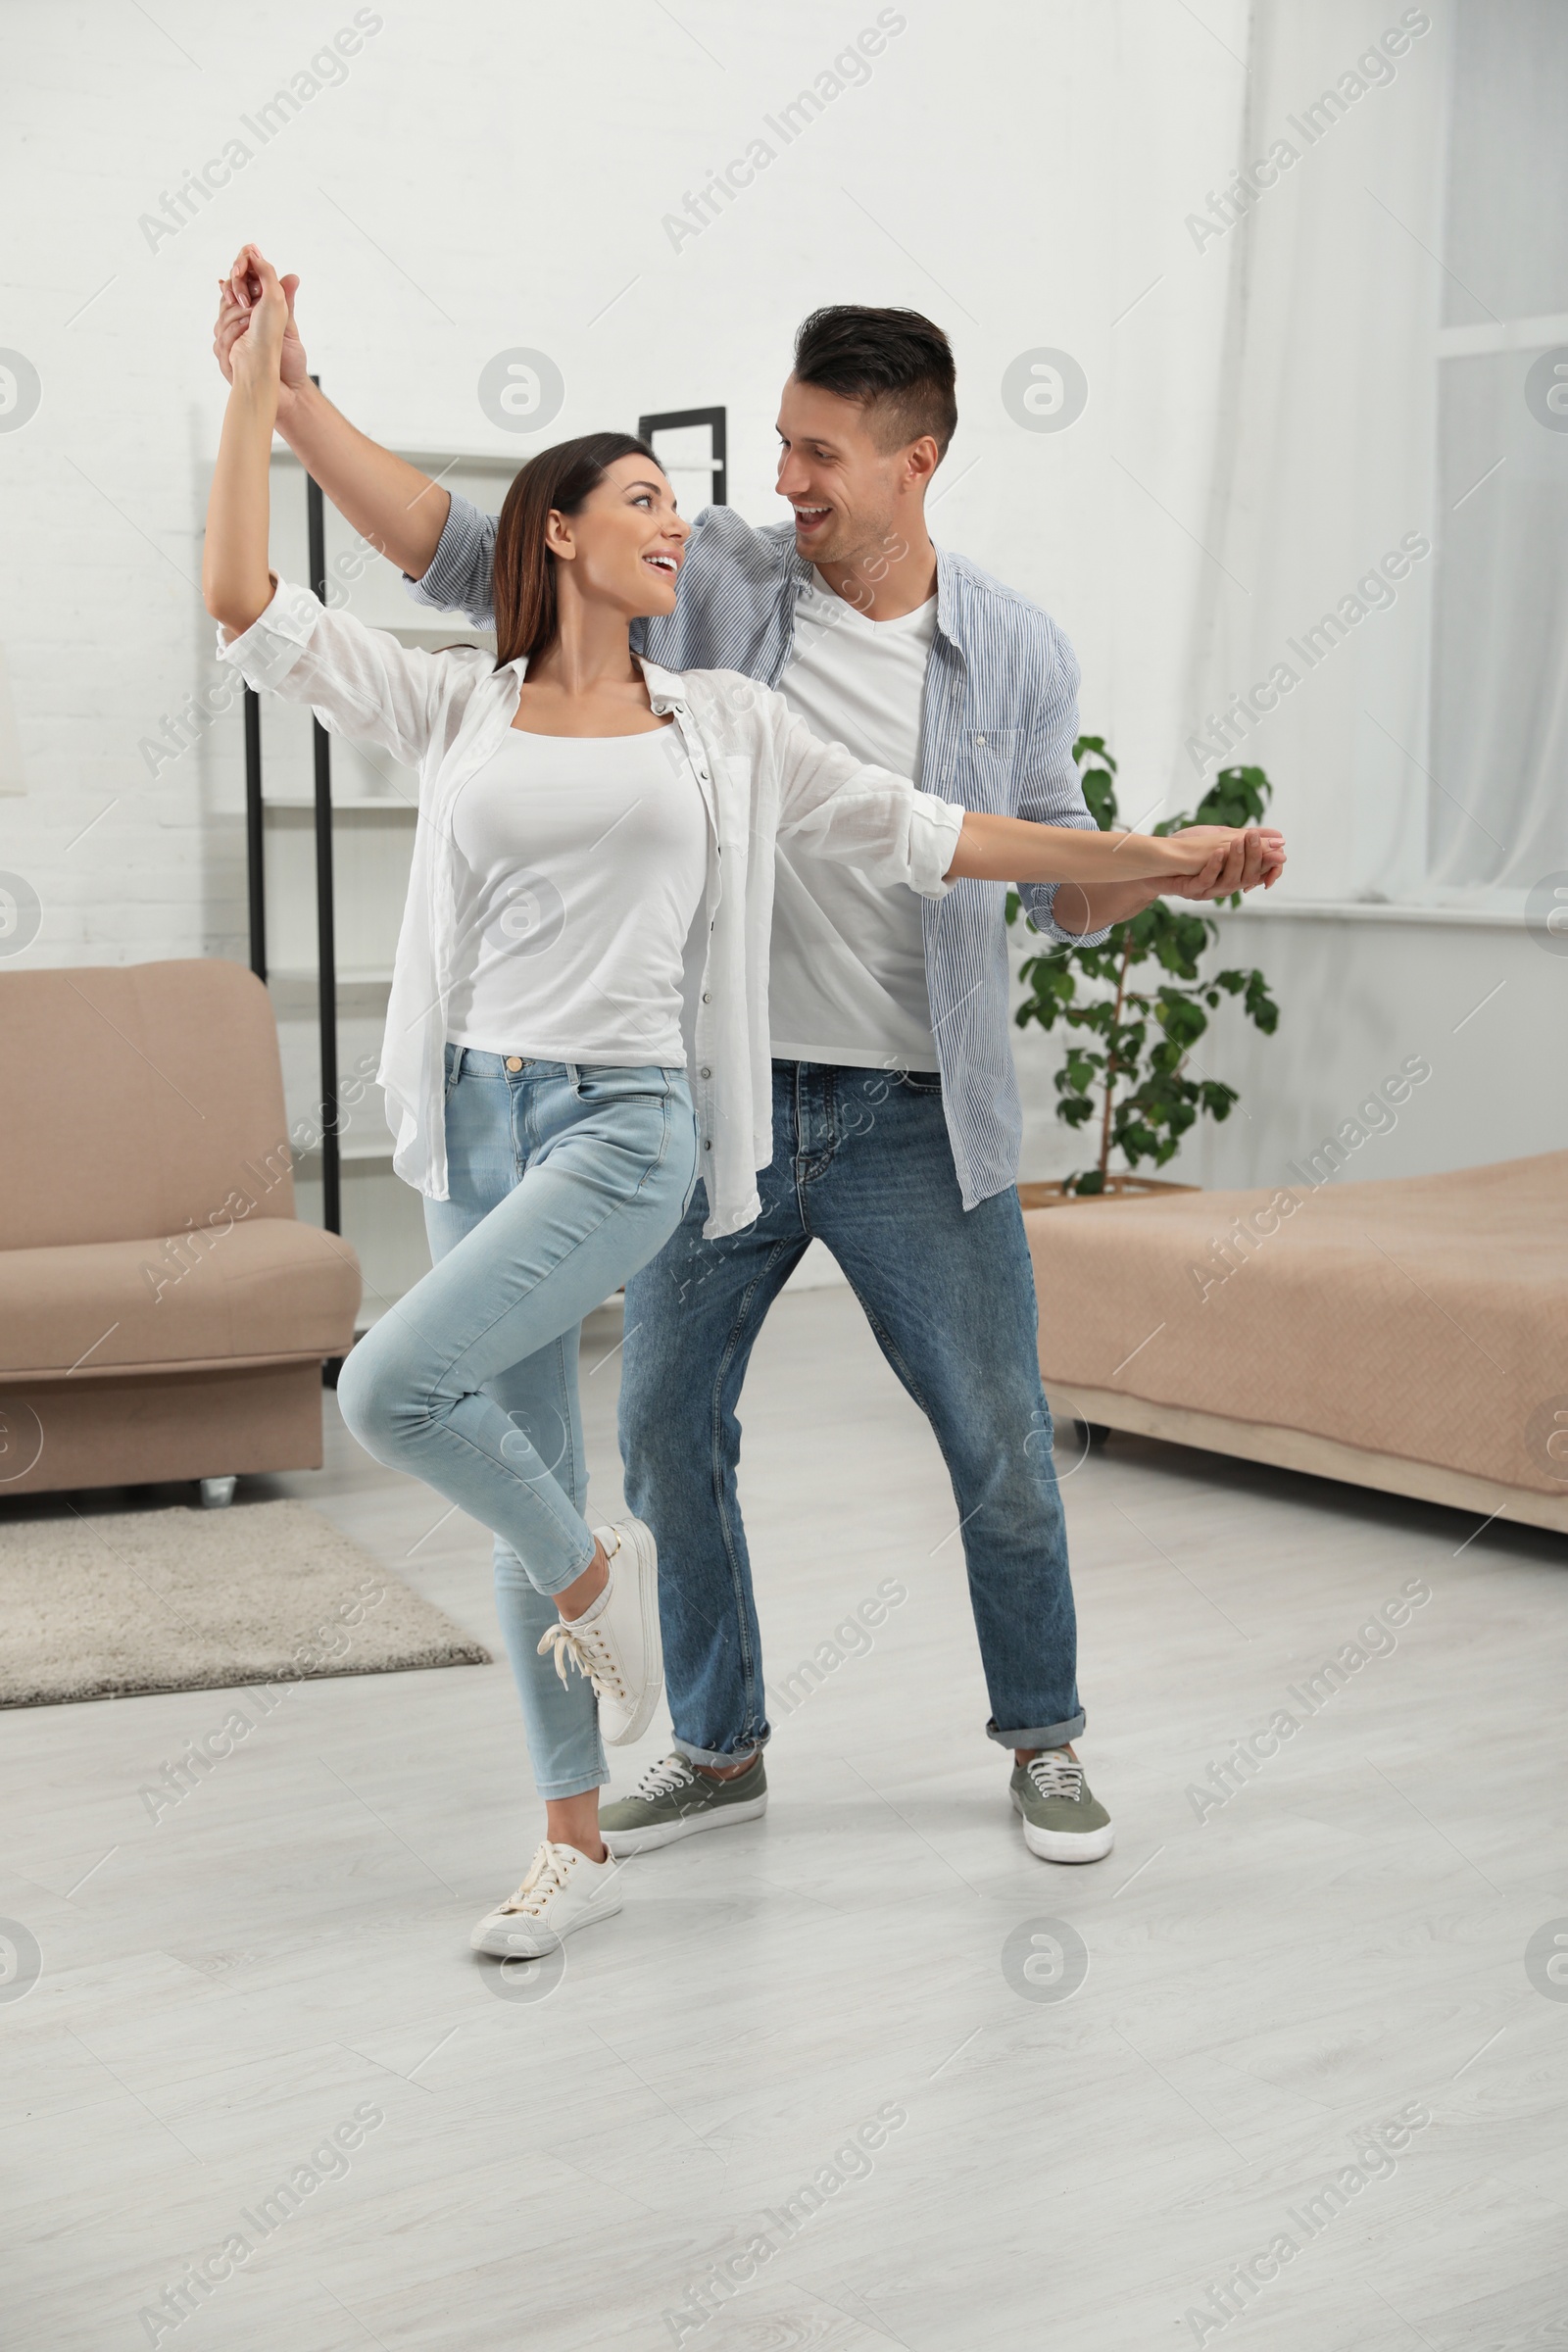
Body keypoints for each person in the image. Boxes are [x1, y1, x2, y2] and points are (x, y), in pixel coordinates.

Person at [211, 256, 1285, 1913]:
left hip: (919, 1109)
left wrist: (1167, 865)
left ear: (917, 460)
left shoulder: (1012, 652)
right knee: (662, 1432)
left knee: (995, 1434)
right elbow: (454, 541)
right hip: (712, 1099)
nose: (780, 482)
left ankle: (1044, 1733)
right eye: (778, 444)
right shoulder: (713, 581)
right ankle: (716, 1741)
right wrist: (291, 400)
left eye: (819, 456)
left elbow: (1041, 881)